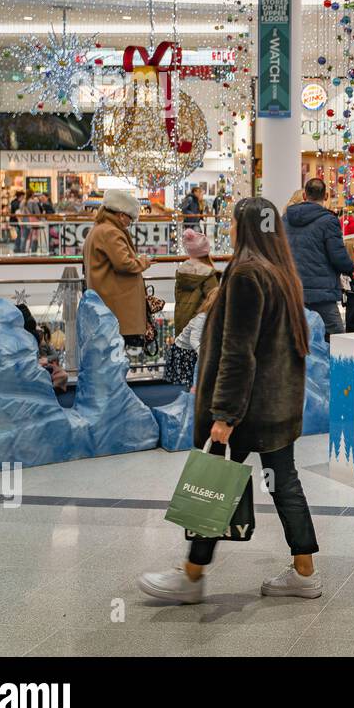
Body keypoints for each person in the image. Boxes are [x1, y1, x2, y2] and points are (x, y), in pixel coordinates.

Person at [139, 197, 318, 604]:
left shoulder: (245, 275)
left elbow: (238, 351)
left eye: (235, 223)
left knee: (211, 484)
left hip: (246, 409)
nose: (231, 230)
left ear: (247, 227)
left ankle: (191, 575)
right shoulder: (281, 272)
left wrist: (224, 413)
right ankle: (305, 571)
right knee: (284, 483)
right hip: (277, 405)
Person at [283, 178, 354, 339]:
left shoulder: (285, 220)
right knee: (338, 339)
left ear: (304, 195)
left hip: (292, 289)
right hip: (322, 292)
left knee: (295, 336)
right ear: (326, 196)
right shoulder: (329, 221)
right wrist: (350, 268)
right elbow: (338, 256)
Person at [82, 190, 152, 348]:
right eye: (131, 218)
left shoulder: (99, 229)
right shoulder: (111, 232)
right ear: (121, 215)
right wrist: (143, 262)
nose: (130, 223)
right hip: (116, 307)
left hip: (106, 303)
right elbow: (124, 264)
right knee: (116, 356)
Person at [173, 228, 218, 335]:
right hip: (200, 328)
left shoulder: (181, 272)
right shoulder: (208, 274)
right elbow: (215, 302)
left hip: (182, 326)